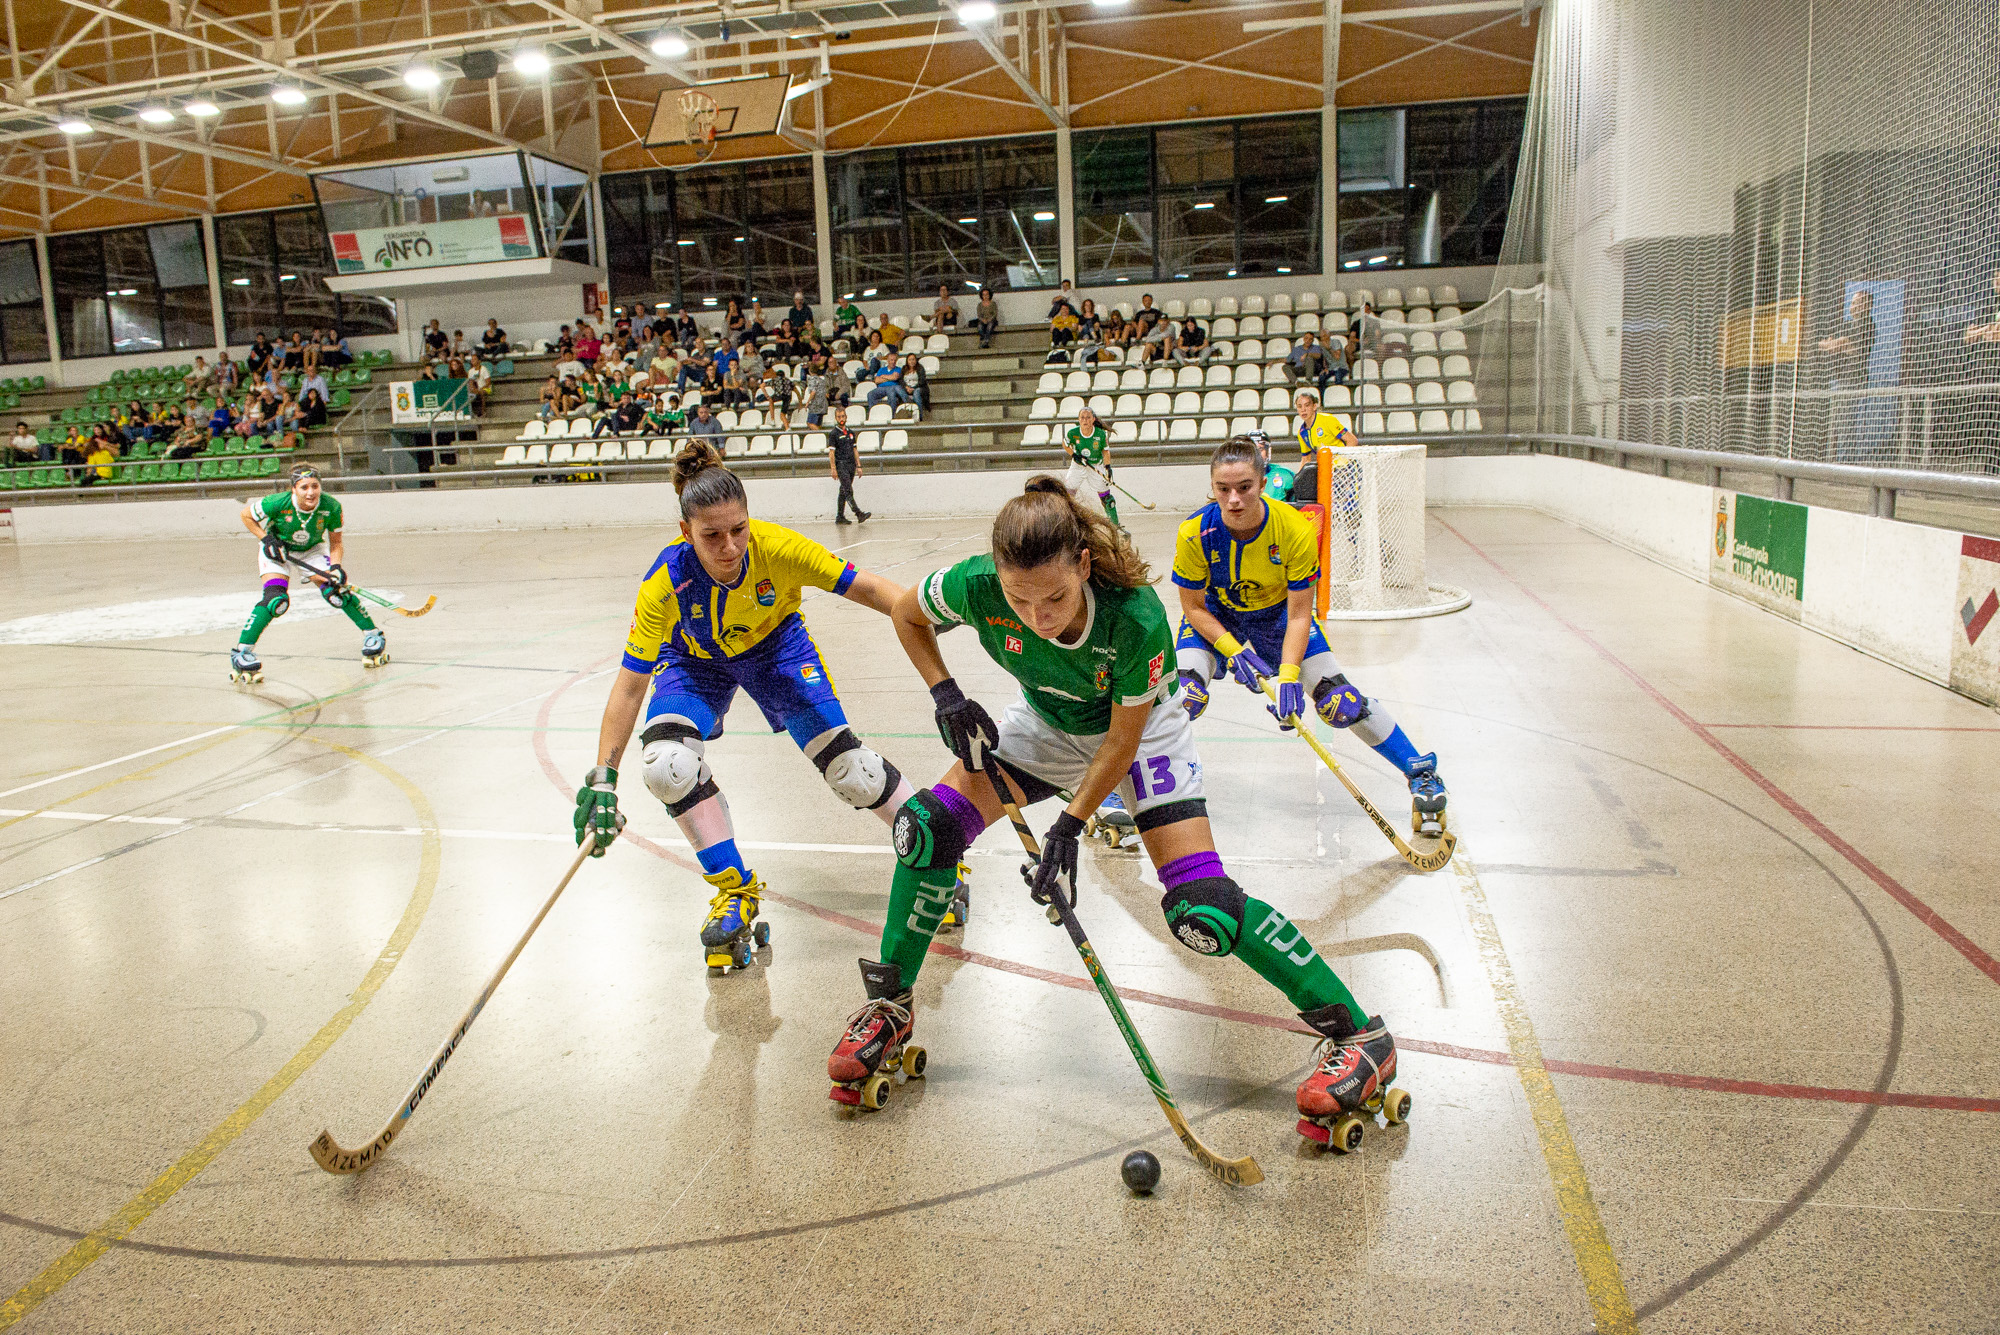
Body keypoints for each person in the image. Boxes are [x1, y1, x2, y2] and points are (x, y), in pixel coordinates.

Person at [825, 478, 1403, 1143]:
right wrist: (946, 693)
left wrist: (1069, 825)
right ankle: (888, 1006)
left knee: (1202, 910)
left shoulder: (1134, 617)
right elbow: (905, 611)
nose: (1039, 617)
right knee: (925, 828)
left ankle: (1361, 1035)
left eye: (1056, 599)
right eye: (1020, 601)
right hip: (1044, 726)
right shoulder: (976, 584)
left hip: (1141, 733)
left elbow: (1122, 743)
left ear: (1084, 567)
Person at [569, 440, 920, 972]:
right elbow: (629, 687)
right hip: (694, 661)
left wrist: (930, 609)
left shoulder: (777, 548)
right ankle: (734, 890)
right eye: (712, 535)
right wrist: (602, 778)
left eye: (738, 529)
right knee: (665, 767)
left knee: (852, 772)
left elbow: (864, 586)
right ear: (686, 532)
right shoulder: (665, 582)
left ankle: (935, 846)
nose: (730, 545)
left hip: (776, 648)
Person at [1174, 434, 1446, 830]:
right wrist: (1231, 649)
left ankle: (1420, 771)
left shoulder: (1294, 530)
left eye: (1244, 487)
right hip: (1216, 616)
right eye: (1223, 489)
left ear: (1263, 482)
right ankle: (1120, 783)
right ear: (1212, 488)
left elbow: (1301, 614)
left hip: (1278, 616)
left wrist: (1287, 677)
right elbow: (1192, 608)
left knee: (1341, 701)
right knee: (1183, 696)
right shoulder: (1195, 532)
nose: (1233, 499)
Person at [229, 464, 385, 683]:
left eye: (315, 486)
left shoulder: (331, 506)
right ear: (294, 489)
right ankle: (242, 652)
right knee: (276, 601)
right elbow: (246, 515)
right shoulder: (277, 502)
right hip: (278, 550)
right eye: (304, 487)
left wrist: (336, 567)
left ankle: (372, 635)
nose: (310, 492)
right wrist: (266, 539)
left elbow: (336, 543)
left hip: (311, 550)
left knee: (336, 593)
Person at [1817, 288, 1877, 462]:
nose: (1853, 307)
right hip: (1839, 378)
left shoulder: (1866, 325)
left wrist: (1838, 344)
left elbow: (1844, 344)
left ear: (1867, 305)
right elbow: (1828, 344)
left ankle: (1846, 463)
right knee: (1837, 424)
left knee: (1845, 425)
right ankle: (1838, 462)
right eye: (1852, 303)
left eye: (1857, 303)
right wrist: (1835, 344)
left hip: (1851, 380)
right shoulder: (1848, 324)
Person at [1287, 387, 1356, 509]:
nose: (1303, 409)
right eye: (1299, 406)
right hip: (1326, 471)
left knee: (1349, 508)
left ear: (1314, 406)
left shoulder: (1327, 420)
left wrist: (1343, 464)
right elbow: (1305, 459)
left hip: (1346, 469)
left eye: (1307, 405)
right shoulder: (1301, 432)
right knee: (1330, 508)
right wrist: (1297, 479)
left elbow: (1352, 441)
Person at [1064, 405, 1120, 528]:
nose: (1085, 420)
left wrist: (1108, 467)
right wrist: (1074, 455)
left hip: (1095, 465)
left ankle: (1116, 527)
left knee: (1106, 498)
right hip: (1078, 466)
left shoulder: (1100, 434)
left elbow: (1105, 451)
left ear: (1093, 419)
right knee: (1067, 495)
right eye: (1082, 418)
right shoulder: (1073, 433)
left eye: (1088, 417)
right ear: (1078, 419)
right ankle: (1066, 524)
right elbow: (1065, 443)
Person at [827, 404, 868, 524]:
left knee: (843, 491)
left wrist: (859, 465)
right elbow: (831, 452)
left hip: (851, 465)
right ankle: (858, 513)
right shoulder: (834, 434)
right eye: (839, 416)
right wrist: (833, 468)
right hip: (841, 464)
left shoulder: (851, 432)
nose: (841, 419)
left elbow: (855, 450)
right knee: (848, 490)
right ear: (836, 418)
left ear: (846, 417)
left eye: (843, 416)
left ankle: (839, 516)